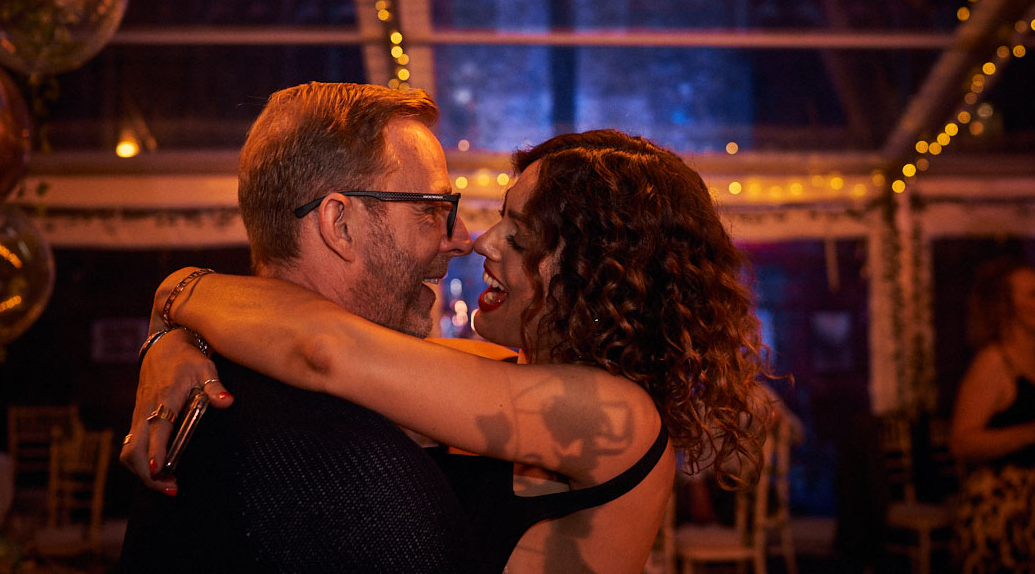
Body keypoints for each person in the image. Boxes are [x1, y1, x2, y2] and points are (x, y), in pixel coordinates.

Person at [124, 127, 771, 573]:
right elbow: (315, 351)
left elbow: (325, 350)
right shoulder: (506, 381)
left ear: (593, 268)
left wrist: (175, 292)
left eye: (518, 234)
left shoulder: (618, 415)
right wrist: (176, 342)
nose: (483, 243)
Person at [118, 82, 486, 573]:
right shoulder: (352, 472)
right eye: (431, 209)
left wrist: (172, 312)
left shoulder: (218, 385)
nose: (462, 240)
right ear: (340, 224)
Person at [948, 256, 1035, 573]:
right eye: (1032, 295)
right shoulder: (994, 363)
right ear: (1005, 307)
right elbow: (961, 443)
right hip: (1003, 510)